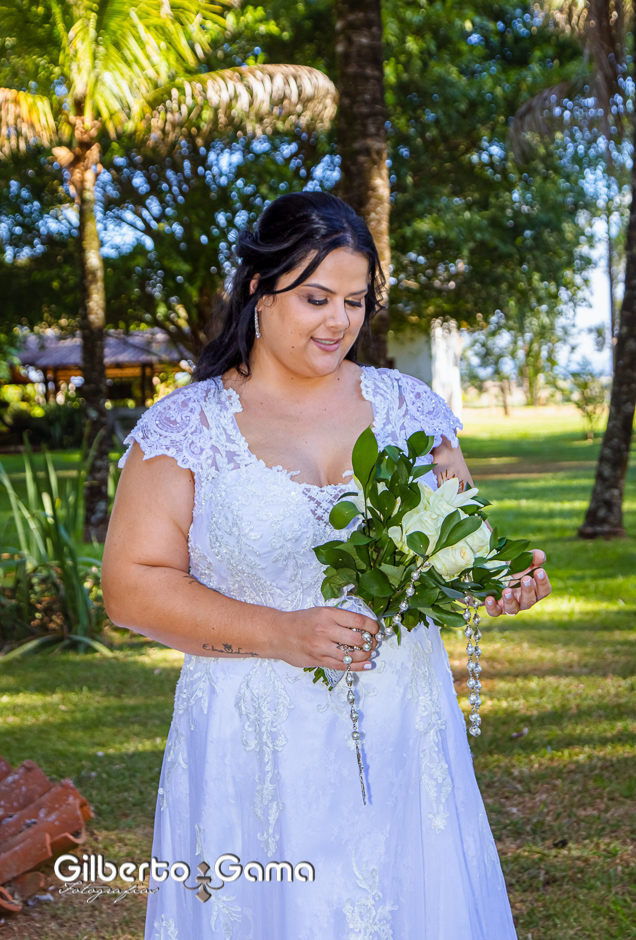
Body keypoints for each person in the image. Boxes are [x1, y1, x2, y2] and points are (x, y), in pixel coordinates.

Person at [103, 191, 551, 940]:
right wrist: (280, 632)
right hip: (253, 739)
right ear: (259, 289)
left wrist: (493, 581)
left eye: (354, 301)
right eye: (316, 298)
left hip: (404, 723)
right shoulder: (186, 426)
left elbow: (457, 545)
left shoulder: (411, 409)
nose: (339, 322)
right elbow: (130, 587)